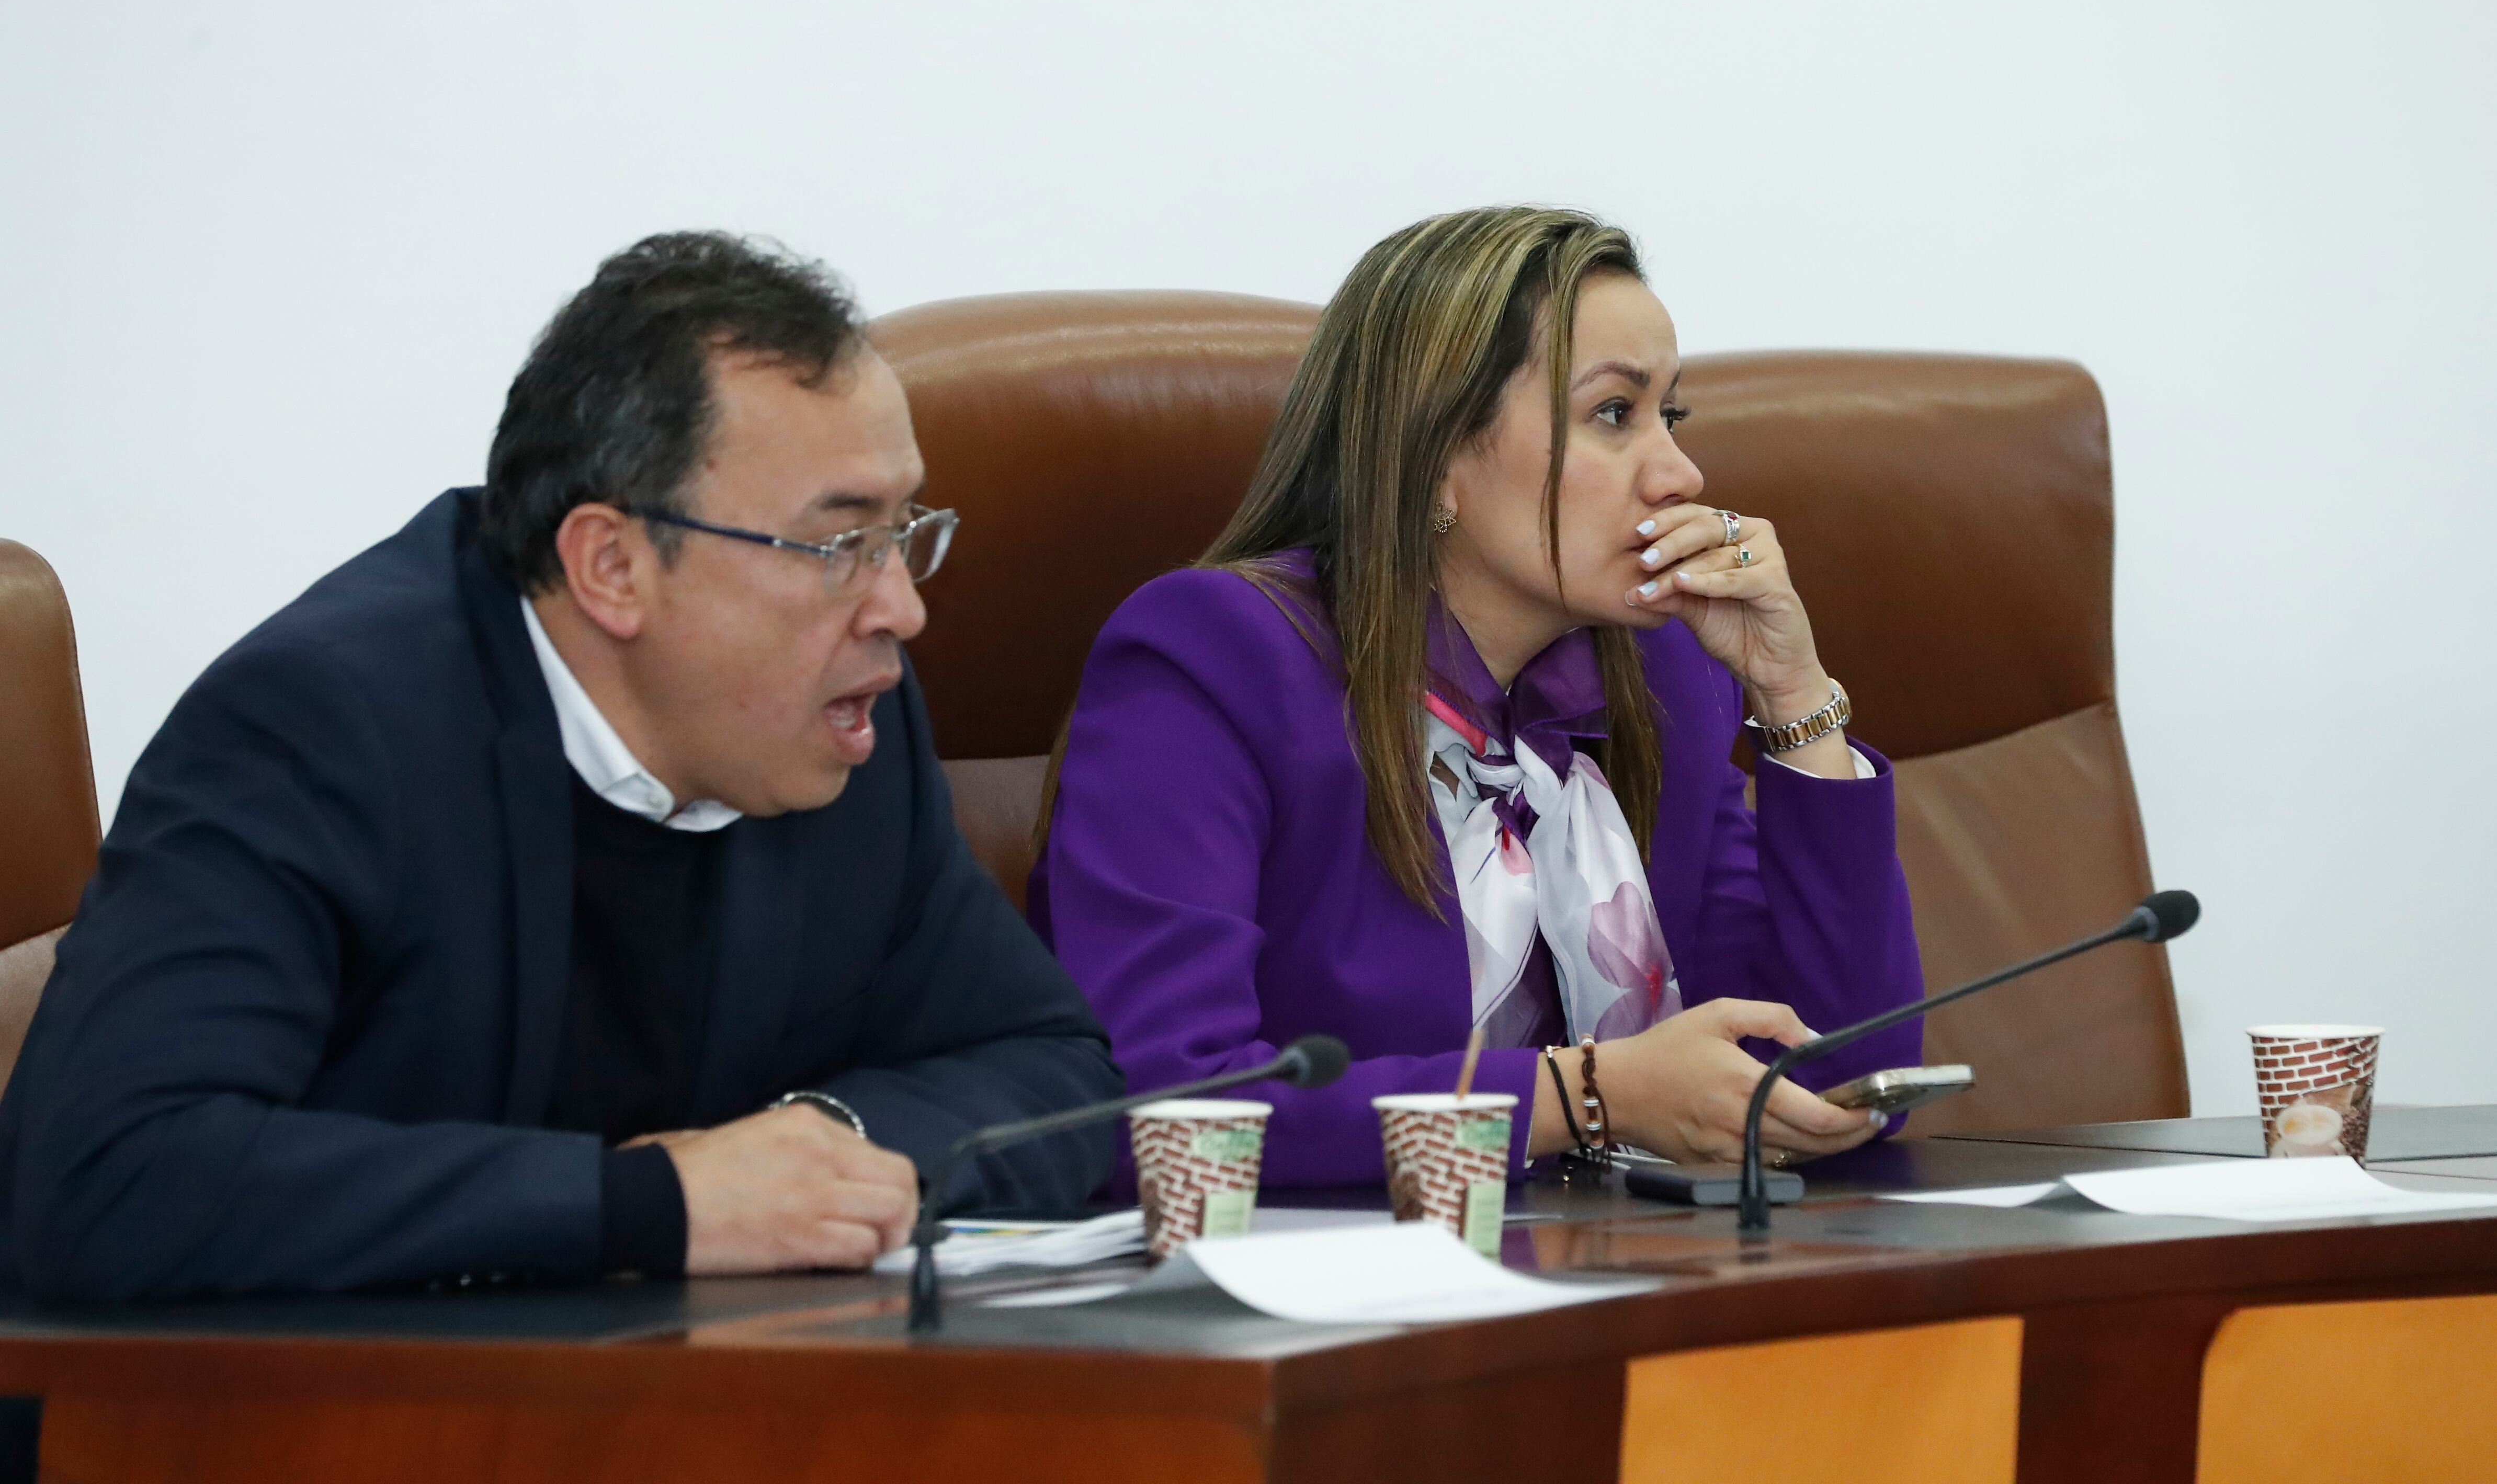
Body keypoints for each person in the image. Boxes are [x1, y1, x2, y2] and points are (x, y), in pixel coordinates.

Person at [0, 232, 1122, 1303]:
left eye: (903, 532)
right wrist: (652, 1205)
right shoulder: (322, 728)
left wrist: (819, 1156)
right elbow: (109, 1171)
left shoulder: (832, 726)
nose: (901, 609)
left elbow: (1050, 1065)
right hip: (298, 1400)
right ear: (612, 566)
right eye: (840, 545)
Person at [1032, 207, 1924, 1191]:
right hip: (1333, 1271)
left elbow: (1834, 1081)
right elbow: (1160, 1109)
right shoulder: (1216, 661)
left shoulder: (1659, 680)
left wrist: (1793, 699)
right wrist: (1586, 1096)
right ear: (1438, 457)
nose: (1681, 475)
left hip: (1613, 1261)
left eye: (1669, 418)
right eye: (1613, 415)